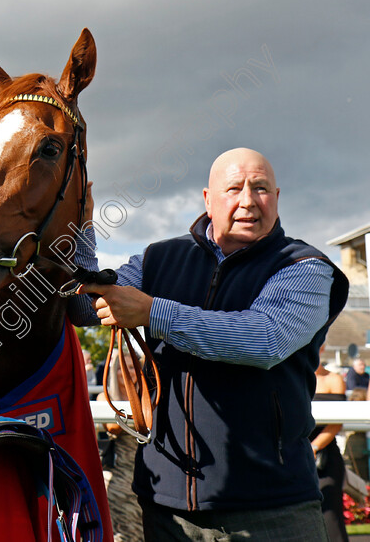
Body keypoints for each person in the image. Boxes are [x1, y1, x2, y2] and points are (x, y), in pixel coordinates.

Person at [78, 148, 349, 540]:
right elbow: (84, 307)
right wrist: (79, 228)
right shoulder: (158, 258)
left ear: (277, 196)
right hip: (165, 507)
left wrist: (153, 312)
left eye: (260, 188)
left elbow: (264, 338)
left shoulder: (305, 267)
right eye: (234, 188)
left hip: (272, 510)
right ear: (208, 199)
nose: (247, 200)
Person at [96, 348, 145, 542]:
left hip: (145, 480)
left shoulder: (147, 397)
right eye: (121, 367)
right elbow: (113, 426)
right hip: (119, 480)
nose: (127, 371)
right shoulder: (105, 397)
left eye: (132, 367)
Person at [311, 347, 348, 541]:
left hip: (324, 458)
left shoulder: (334, 379)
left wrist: (313, 447)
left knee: (330, 516)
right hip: (293, 455)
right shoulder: (292, 378)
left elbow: (336, 423)